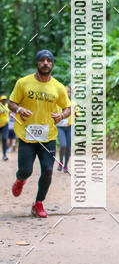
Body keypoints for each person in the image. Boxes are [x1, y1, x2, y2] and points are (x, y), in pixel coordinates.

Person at [8, 50, 71, 218]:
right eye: (42, 60)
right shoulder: (23, 83)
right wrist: (19, 109)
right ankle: (20, 180)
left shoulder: (58, 87)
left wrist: (62, 115)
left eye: (49, 61)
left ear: (52, 64)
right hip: (27, 135)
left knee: (48, 170)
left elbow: (68, 108)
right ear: (37, 63)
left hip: (47, 136)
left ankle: (38, 203)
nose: (45, 63)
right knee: (25, 170)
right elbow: (11, 103)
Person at [56, 86, 72, 173]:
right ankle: (60, 162)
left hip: (69, 127)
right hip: (60, 128)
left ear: (70, 94)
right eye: (65, 92)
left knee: (68, 147)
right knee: (63, 145)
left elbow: (77, 115)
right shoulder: (57, 103)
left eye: (68, 92)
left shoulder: (73, 104)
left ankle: (66, 165)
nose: (67, 93)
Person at [0, 94, 9, 160]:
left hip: (5, 125)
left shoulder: (7, 106)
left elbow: (10, 112)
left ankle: (4, 155)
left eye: (5, 100)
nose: (4, 101)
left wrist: (11, 115)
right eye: (2, 100)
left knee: (4, 138)